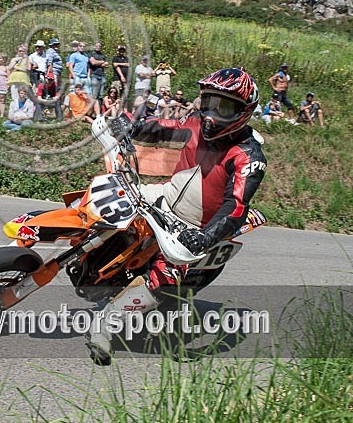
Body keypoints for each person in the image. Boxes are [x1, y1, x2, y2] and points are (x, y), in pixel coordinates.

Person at [88, 68, 266, 365]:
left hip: (192, 226)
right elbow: (162, 127)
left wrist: (204, 237)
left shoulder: (249, 155)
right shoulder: (194, 122)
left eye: (223, 107)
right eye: (209, 102)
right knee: (106, 202)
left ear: (243, 111)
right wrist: (129, 126)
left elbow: (235, 207)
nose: (211, 115)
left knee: (165, 276)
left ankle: (106, 324)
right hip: (165, 196)